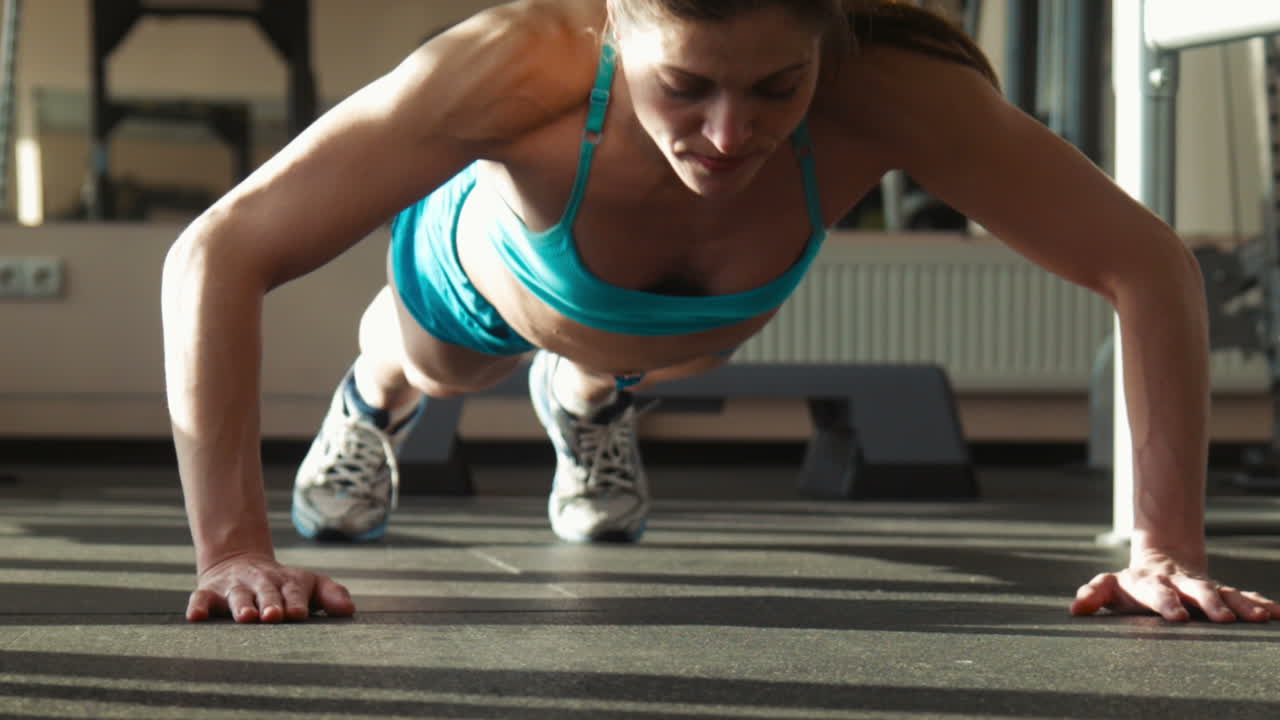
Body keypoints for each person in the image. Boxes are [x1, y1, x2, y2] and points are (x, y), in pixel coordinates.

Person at [161, 0, 1280, 625]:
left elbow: (1147, 266)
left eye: (772, 89)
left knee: (662, 350)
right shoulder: (513, 64)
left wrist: (1165, 545)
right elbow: (219, 249)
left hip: (668, 327)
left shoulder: (890, 88)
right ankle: (371, 404)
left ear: (822, 45)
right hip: (486, 270)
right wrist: (230, 551)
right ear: (613, 27)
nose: (731, 132)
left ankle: (590, 401)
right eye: (683, 86)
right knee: (445, 368)